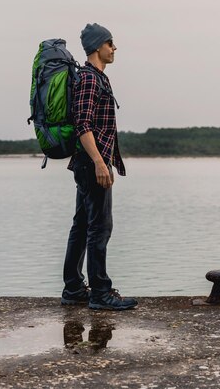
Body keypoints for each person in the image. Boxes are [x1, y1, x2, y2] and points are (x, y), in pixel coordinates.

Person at [61, 23, 138, 310]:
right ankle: (100, 293)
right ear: (97, 47)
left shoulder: (96, 78)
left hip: (88, 162)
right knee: (99, 228)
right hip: (91, 162)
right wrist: (99, 163)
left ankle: (73, 289)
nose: (114, 48)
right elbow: (83, 124)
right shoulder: (91, 79)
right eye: (110, 43)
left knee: (82, 226)